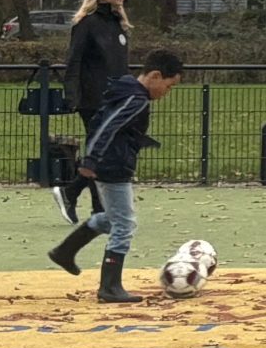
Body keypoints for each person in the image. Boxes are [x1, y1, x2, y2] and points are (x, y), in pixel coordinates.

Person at [46, 48, 185, 302]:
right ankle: (109, 287)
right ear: (155, 76)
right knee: (124, 224)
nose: (167, 93)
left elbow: (116, 127)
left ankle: (65, 251)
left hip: (110, 163)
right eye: (169, 86)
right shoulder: (136, 99)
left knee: (112, 219)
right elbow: (108, 126)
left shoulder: (127, 91)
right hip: (113, 167)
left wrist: (138, 141)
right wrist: (91, 159)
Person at [53, 0, 131, 225]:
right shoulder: (86, 23)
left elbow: (120, 66)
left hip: (116, 100)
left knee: (104, 152)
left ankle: (76, 196)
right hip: (93, 100)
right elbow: (73, 61)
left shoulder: (118, 24)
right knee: (102, 151)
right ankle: (90, 203)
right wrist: (72, 95)